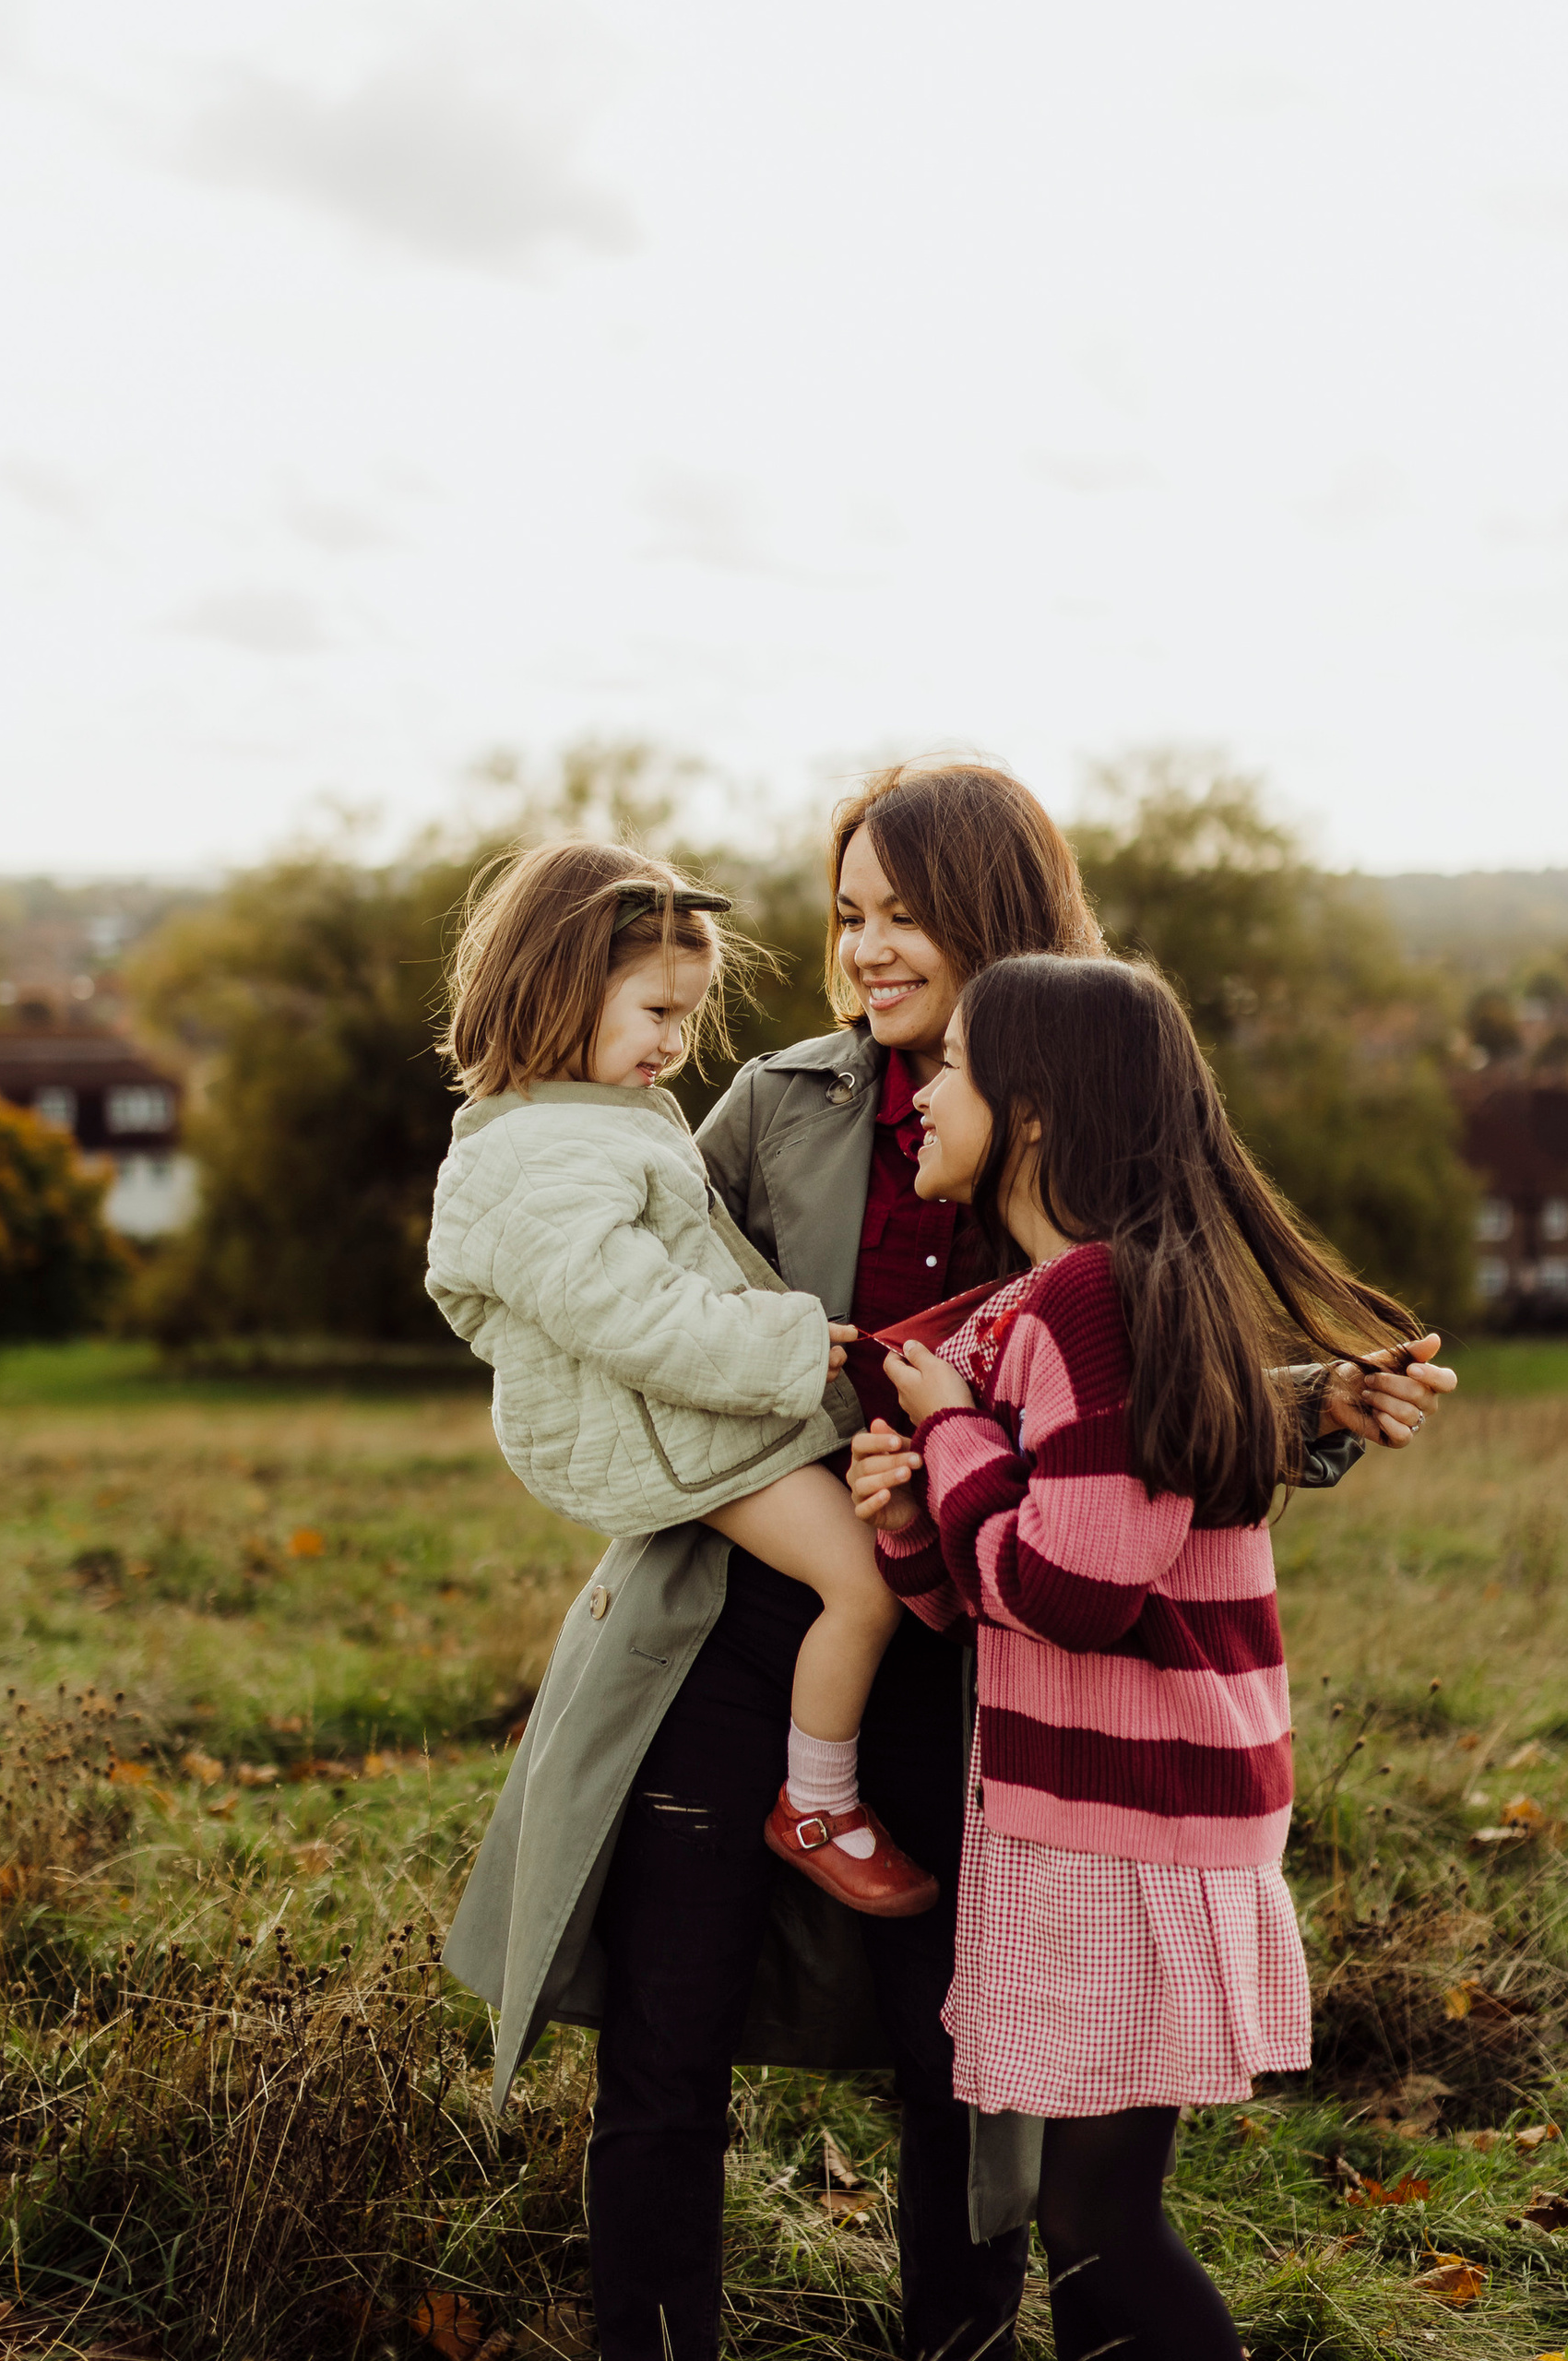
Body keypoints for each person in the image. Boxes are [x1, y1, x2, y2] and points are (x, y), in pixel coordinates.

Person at [437, 761, 1457, 2361]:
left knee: (965, 2066)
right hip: (732, 1621)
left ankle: (960, 2347)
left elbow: (1134, 1375)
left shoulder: (1080, 1095)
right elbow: (614, 1286)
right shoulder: (774, 1104)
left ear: (997, 914)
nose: (867, 949)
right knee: (661, 2043)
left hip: (982, 1646)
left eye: (904, 914)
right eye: (847, 915)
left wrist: (1308, 1400)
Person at [849, 953, 1420, 2360]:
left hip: (1130, 1827)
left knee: (1101, 2218)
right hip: (1103, 1814)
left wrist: (952, 1442)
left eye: (960, 1068)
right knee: (1088, 2213)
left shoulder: (1092, 1304)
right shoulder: (1061, 1302)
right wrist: (911, 1514)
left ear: (1034, 1112)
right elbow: (978, 1596)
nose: (924, 1092)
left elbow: (1075, 1587)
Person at [426, 837, 939, 1915]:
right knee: (864, 1580)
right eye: (657, 1014)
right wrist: (790, 1347)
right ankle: (818, 1803)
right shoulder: (542, 1153)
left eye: (686, 1017)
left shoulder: (584, 1120)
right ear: (562, 994)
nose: (676, 1042)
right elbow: (630, 1309)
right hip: (674, 1427)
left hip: (683, 1412)